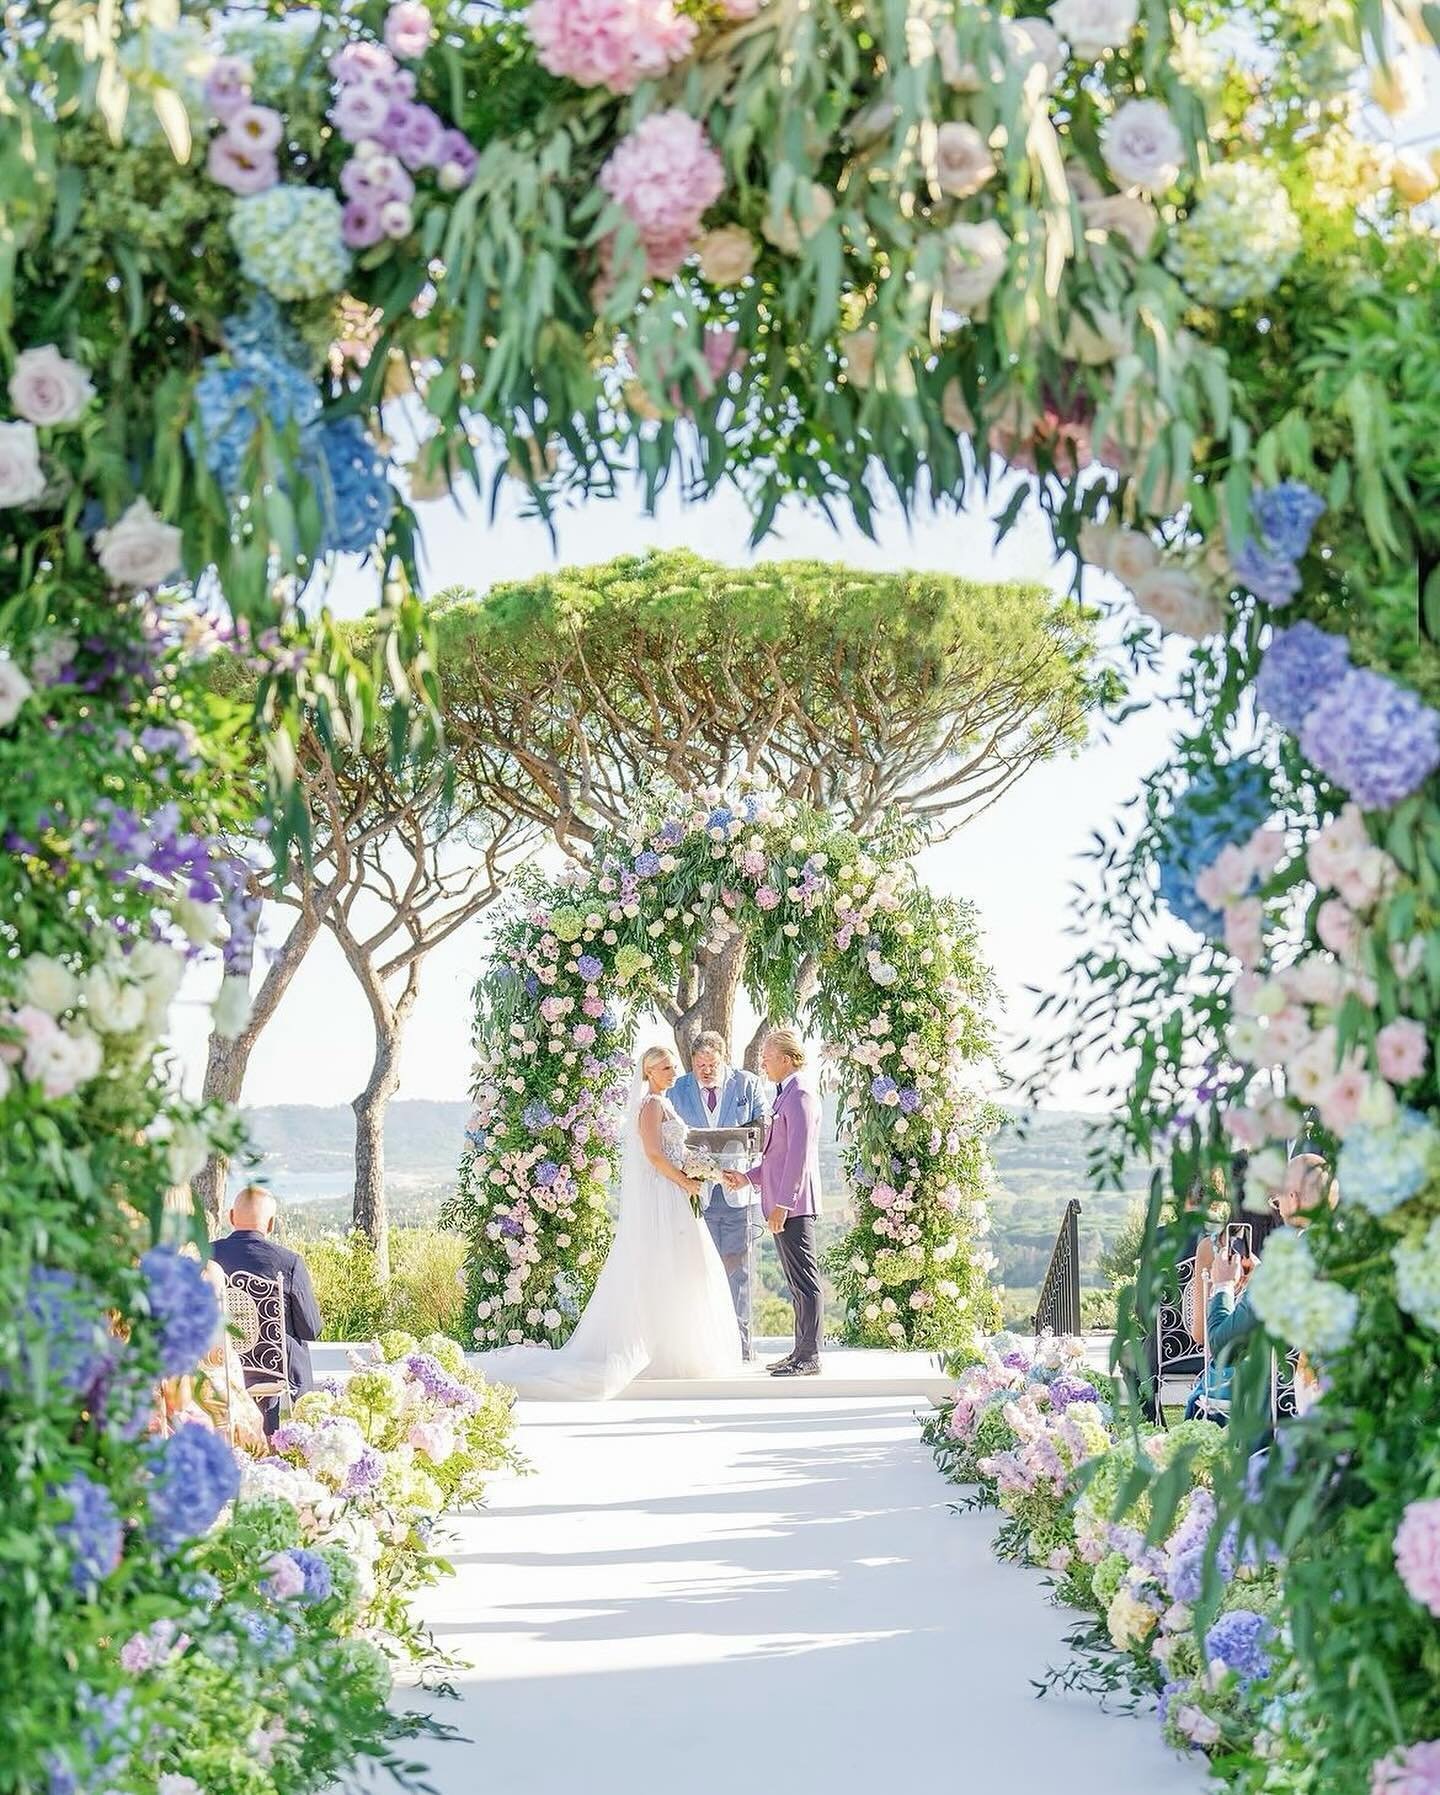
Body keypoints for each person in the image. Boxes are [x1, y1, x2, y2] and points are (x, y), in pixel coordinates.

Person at [475, 1045, 743, 1398]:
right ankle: (660, 1351)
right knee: (665, 1264)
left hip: (676, 1192)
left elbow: (677, 1151)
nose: (672, 1072)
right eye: (664, 1068)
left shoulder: (665, 1104)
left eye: (672, 1066)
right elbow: (652, 1154)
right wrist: (683, 1180)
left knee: (682, 1266)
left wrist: (713, 1172)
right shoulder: (650, 1105)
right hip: (664, 1193)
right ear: (649, 1073)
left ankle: (678, 1348)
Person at [1184, 1152, 1338, 1423]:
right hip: (1347, 1404)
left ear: (1294, 1198)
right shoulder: (1355, 1253)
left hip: (1283, 1411)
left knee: (1202, 1404)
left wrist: (1222, 1285)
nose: (1275, 1203)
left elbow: (1224, 1345)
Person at [722, 1027, 824, 1376]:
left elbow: (798, 1156)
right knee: (795, 1282)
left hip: (793, 1205)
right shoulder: (784, 1095)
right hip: (781, 1202)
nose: (762, 1063)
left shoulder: (801, 1095)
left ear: (785, 1058)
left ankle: (810, 1356)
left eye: (766, 1057)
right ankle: (799, 1351)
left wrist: (784, 1203)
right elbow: (775, 1156)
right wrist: (746, 1178)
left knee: (805, 1280)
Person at [669, 1029, 768, 1357]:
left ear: (723, 1059)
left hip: (738, 1194)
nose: (706, 1071)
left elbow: (764, 1130)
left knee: (737, 1269)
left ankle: (741, 1345)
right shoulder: (678, 1089)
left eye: (711, 1064)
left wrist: (745, 1141)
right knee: (699, 1270)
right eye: (699, 1065)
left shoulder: (748, 1084)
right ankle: (703, 1346)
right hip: (700, 1195)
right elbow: (668, 1137)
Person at [210, 1185, 323, 1433]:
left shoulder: (207, 1256)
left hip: (223, 1361)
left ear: (231, 1217)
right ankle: (303, 1426)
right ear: (271, 1224)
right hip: (271, 1365)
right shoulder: (288, 1262)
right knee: (293, 1342)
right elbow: (311, 1329)